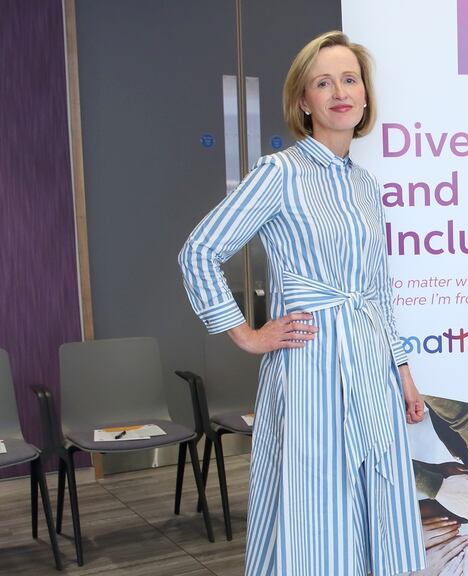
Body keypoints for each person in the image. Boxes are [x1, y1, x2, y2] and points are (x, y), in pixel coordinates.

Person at [179, 31, 426, 575]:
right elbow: (199, 250)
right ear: (302, 101)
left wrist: (402, 370)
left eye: (349, 79)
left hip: (372, 365)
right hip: (310, 362)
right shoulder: (279, 173)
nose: (339, 91)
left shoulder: (365, 185)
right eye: (323, 82)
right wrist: (246, 333)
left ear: (364, 95)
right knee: (318, 502)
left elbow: (377, 288)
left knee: (376, 494)